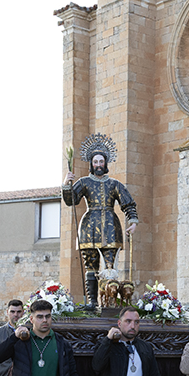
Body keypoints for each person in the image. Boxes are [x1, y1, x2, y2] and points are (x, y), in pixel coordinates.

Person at [63, 132, 139, 308]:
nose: (98, 165)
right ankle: (91, 302)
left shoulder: (114, 184)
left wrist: (133, 221)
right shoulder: (83, 182)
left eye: (101, 161)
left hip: (112, 227)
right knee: (91, 265)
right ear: (91, 164)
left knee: (110, 266)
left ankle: (109, 303)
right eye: (95, 162)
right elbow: (71, 200)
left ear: (105, 163)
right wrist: (66, 183)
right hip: (89, 226)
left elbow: (128, 203)